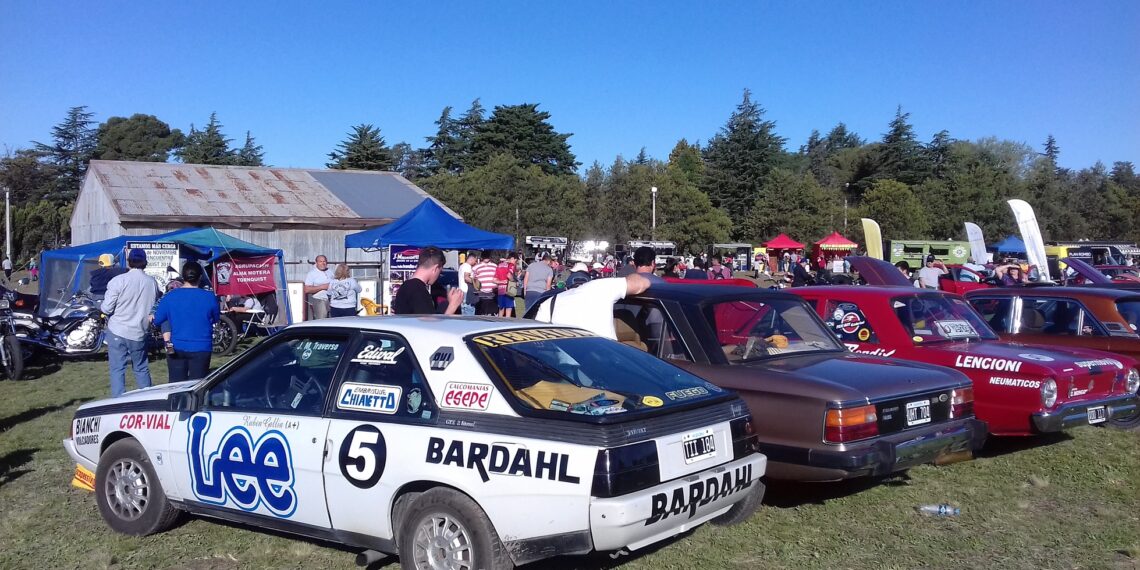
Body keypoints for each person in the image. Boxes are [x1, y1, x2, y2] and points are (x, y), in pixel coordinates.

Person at [101, 249, 160, 397]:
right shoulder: (152, 282)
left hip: (118, 329)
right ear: (145, 263)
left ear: (128, 262)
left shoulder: (118, 281)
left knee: (117, 369)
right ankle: (147, 398)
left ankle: (118, 400)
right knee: (141, 367)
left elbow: (106, 308)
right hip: (139, 331)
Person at [152, 262, 220, 382]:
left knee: (175, 386)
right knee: (197, 386)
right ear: (200, 277)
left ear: (183, 277)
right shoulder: (210, 297)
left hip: (176, 346)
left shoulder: (170, 296)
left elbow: (157, 320)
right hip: (201, 346)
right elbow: (216, 318)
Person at [531, 273, 652, 340]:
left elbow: (538, 342)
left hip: (564, 373)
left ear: (567, 286)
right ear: (589, 280)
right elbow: (642, 284)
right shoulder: (599, 287)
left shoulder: (549, 303)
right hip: (606, 363)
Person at [392, 246, 463, 315]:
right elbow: (430, 326)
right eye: (439, 272)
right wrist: (452, 306)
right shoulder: (418, 290)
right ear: (435, 269)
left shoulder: (406, 286)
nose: (438, 276)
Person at [303, 255, 332, 319]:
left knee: (331, 320)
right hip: (319, 300)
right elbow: (307, 289)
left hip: (331, 300)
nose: (323, 263)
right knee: (322, 320)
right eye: (320, 261)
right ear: (316, 263)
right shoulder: (312, 273)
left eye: (324, 261)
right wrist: (322, 287)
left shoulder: (330, 272)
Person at [472, 251, 499, 316]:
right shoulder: (476, 267)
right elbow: (473, 278)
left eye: (487, 256)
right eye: (485, 256)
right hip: (481, 293)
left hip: (493, 293)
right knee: (482, 313)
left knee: (493, 313)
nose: (486, 258)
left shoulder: (495, 266)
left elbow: (498, 277)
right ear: (481, 257)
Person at [495, 251, 519, 317]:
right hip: (508, 290)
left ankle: (499, 324)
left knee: (501, 309)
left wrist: (501, 282)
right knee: (508, 309)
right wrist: (513, 281)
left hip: (500, 290)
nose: (515, 262)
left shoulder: (499, 265)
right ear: (513, 259)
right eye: (516, 261)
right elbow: (509, 275)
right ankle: (506, 324)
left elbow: (494, 280)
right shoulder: (511, 265)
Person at [459, 250, 479, 315]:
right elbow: (466, 278)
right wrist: (475, 283)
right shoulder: (467, 266)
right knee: (469, 311)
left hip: (462, 291)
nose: (475, 262)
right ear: (472, 259)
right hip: (467, 292)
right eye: (475, 260)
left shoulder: (462, 266)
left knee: (464, 311)